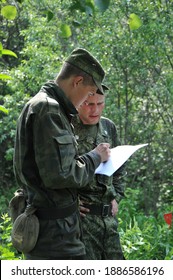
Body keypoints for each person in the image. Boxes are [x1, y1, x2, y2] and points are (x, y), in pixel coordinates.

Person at [13, 48, 111, 260]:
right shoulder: (48, 109)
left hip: (56, 229)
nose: (88, 100)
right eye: (88, 93)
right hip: (54, 237)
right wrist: (95, 156)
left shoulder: (47, 107)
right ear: (77, 82)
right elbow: (61, 174)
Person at [72, 91, 125, 259]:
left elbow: (119, 169)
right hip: (81, 223)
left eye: (100, 104)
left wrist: (116, 196)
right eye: (89, 104)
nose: (95, 110)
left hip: (108, 221)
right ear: (78, 103)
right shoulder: (67, 127)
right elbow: (59, 171)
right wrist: (69, 202)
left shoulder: (108, 127)